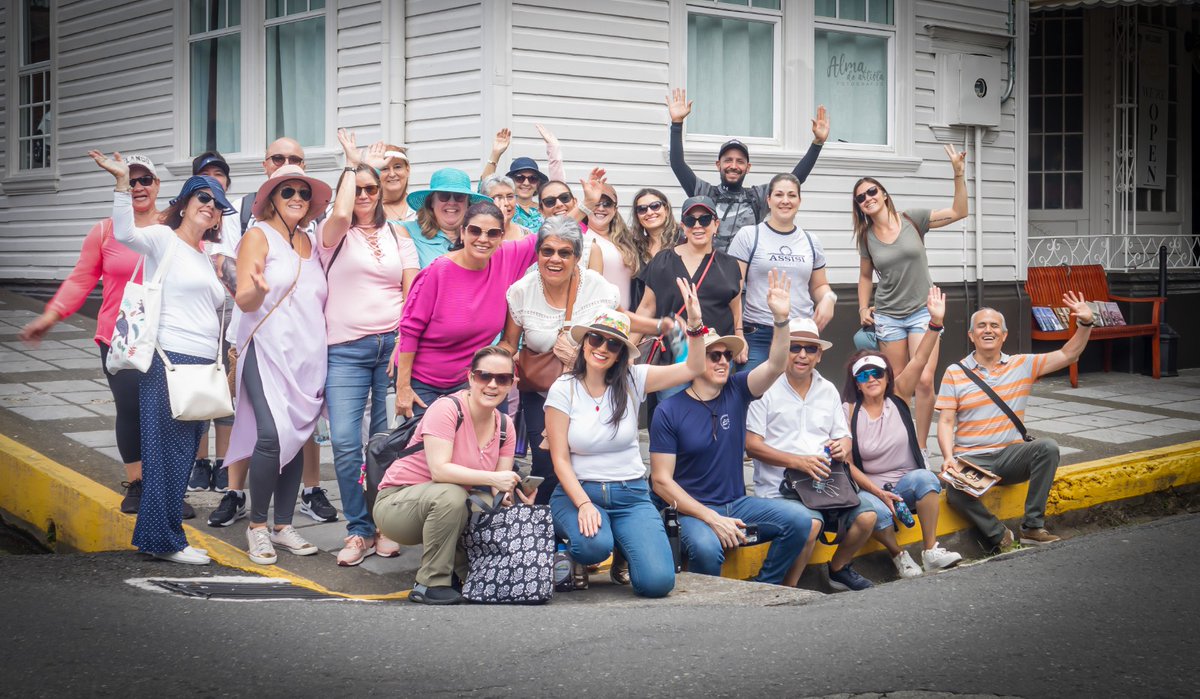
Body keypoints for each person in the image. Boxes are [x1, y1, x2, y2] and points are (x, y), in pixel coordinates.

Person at [93, 150, 236, 565]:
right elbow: (125, 233)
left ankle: (164, 535)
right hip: (167, 358)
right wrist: (123, 183)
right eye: (203, 199)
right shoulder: (163, 239)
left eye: (217, 205)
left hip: (198, 366)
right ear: (187, 201)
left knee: (181, 452)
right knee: (166, 455)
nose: (210, 208)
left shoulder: (204, 257)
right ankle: (163, 540)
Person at [650, 270, 814, 586]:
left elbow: (777, 365)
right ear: (696, 360)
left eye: (727, 354)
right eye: (714, 356)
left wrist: (781, 320)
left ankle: (764, 589)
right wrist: (712, 518)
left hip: (737, 503)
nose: (724, 361)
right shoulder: (669, 411)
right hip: (693, 510)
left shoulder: (737, 390)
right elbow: (660, 482)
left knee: (800, 521)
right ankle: (709, 609)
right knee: (708, 548)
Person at [20, 153, 161, 515]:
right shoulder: (104, 230)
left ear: (157, 185)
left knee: (166, 413)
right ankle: (138, 484)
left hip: (165, 335)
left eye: (145, 180)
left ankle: (166, 486)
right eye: (130, 181)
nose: (138, 187)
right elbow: (82, 278)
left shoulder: (172, 227)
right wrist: (50, 316)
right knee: (131, 409)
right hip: (119, 334)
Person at [207, 137, 336, 529]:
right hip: (265, 352)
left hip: (307, 357)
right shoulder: (257, 235)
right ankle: (258, 527)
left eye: (302, 191)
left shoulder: (312, 243)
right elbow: (245, 298)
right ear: (272, 198)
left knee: (296, 439)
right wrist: (255, 290)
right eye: (287, 191)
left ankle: (283, 527)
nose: (296, 196)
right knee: (270, 437)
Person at [544, 297, 707, 599]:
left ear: (621, 353)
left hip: (630, 495)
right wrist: (583, 504)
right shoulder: (563, 387)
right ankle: (587, 548)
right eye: (596, 338)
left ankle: (623, 545)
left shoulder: (634, 379)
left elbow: (695, 367)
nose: (602, 348)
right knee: (592, 546)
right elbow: (560, 460)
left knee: (657, 584)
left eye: (613, 344)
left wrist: (695, 326)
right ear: (584, 342)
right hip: (580, 491)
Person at [500, 216, 665, 505]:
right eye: (547, 251)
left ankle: (583, 512)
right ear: (537, 252)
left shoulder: (596, 286)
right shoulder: (521, 291)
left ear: (577, 257)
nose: (555, 259)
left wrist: (661, 326)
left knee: (582, 456)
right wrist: (493, 363)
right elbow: (509, 343)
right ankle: (542, 526)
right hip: (544, 391)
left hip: (592, 389)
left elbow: (621, 317)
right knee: (546, 461)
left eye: (565, 253)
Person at [320, 129, 421, 566]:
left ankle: (385, 525)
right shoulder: (334, 232)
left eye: (371, 188)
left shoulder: (400, 235)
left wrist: (404, 347)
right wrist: (354, 161)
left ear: (382, 192)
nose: (363, 195)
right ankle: (357, 530)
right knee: (345, 442)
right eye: (357, 188)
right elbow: (342, 211)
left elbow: (411, 293)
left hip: (390, 350)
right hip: (345, 349)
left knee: (385, 444)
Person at [936, 294, 1096, 551]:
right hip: (972, 459)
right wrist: (948, 457)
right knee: (954, 493)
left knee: (1047, 448)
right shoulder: (955, 372)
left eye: (994, 326)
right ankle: (998, 534)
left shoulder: (1022, 364)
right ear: (971, 335)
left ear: (1004, 335)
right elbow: (945, 421)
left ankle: (1033, 527)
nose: (988, 330)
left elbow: (1068, 354)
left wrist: (1086, 324)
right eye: (981, 326)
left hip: (1011, 456)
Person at [374, 346, 528, 605]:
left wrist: (510, 495)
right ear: (470, 378)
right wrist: (493, 480)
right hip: (398, 504)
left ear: (512, 384)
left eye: (502, 379)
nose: (492, 385)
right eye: (484, 377)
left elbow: (496, 489)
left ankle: (470, 573)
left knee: (489, 504)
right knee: (453, 494)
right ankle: (430, 582)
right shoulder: (447, 408)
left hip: (448, 504)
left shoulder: (505, 425)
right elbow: (440, 469)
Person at [745, 319, 879, 591]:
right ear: (783, 350)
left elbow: (844, 435)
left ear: (819, 355)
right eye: (794, 347)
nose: (802, 355)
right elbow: (752, 445)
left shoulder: (827, 388)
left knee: (868, 515)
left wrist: (843, 445)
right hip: (781, 489)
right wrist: (798, 462)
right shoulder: (765, 388)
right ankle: (790, 590)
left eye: (810, 349)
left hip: (825, 485)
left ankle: (839, 568)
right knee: (811, 523)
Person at [841, 286, 962, 579]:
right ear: (856, 382)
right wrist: (878, 492)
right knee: (878, 513)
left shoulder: (898, 396)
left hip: (906, 482)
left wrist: (935, 324)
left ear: (887, 376)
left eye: (877, 373)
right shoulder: (847, 411)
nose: (871, 379)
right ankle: (899, 556)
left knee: (926, 478)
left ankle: (931, 550)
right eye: (863, 375)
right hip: (873, 489)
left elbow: (919, 360)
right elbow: (847, 464)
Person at [855, 144, 968, 446]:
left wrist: (958, 173)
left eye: (872, 192)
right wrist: (863, 308)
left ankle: (920, 447)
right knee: (900, 384)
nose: (867, 198)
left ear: (884, 194)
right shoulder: (866, 237)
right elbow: (865, 276)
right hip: (889, 316)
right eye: (861, 197)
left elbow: (959, 212)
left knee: (924, 380)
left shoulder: (912, 219)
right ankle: (900, 443)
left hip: (922, 311)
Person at [395, 202, 538, 418]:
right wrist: (403, 387)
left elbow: (546, 237)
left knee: (483, 443)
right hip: (423, 381)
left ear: (501, 237)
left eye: (492, 233)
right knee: (429, 447)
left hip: (469, 380)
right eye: (475, 231)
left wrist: (586, 206)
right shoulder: (438, 271)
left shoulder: (506, 257)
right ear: (462, 233)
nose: (483, 239)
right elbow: (409, 330)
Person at [666, 88, 829, 253]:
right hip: (712, 271)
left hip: (746, 274)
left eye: (740, 161)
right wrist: (677, 124)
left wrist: (817, 143)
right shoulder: (706, 194)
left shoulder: (756, 197)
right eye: (728, 160)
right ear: (718, 165)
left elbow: (795, 179)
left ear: (748, 167)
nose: (734, 166)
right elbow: (677, 164)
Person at [729, 173, 837, 370]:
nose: (785, 201)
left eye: (792, 195)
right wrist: (738, 333)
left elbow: (820, 285)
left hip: (800, 334)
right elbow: (733, 289)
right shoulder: (749, 236)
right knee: (752, 394)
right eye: (779, 195)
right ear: (768, 200)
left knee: (795, 396)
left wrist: (829, 298)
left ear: (799, 201)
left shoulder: (811, 241)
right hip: (758, 334)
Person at [187, 151, 240, 496]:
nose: (213, 179)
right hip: (197, 318)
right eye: (205, 175)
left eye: (218, 174)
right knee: (198, 389)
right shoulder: (188, 221)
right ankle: (199, 461)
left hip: (231, 313)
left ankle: (224, 461)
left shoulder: (231, 220)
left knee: (227, 389)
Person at [481, 124, 567, 233]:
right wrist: (495, 154)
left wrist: (554, 151)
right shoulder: (506, 207)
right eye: (520, 178)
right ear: (511, 182)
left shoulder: (545, 209)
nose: (526, 183)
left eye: (532, 179)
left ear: (538, 184)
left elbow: (558, 191)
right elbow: (485, 187)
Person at [399, 168, 489, 268]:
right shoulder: (408, 230)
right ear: (431, 202)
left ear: (468, 203)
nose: (452, 202)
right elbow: (379, 224)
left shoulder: (480, 235)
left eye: (459, 196)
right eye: (444, 196)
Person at [581, 179, 642, 309]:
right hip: (600, 320)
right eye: (596, 203)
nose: (601, 208)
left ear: (615, 209)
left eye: (607, 204)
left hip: (627, 321)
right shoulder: (582, 239)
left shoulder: (626, 240)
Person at [480, 174, 531, 241]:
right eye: (499, 197)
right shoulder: (478, 233)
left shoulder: (526, 234)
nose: (506, 203)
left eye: (510, 197)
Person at [380, 145, 416, 224]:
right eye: (385, 168)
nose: (392, 174)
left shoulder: (421, 208)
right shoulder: (369, 210)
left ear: (408, 169)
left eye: (397, 167)